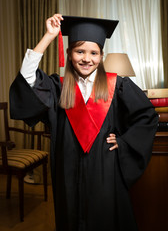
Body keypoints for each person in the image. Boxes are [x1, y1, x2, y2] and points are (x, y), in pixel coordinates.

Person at [10, 14, 158, 231]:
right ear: (69, 54)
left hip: (105, 169)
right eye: (79, 51)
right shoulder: (58, 87)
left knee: (105, 218)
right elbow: (27, 79)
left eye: (93, 53)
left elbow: (147, 116)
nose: (86, 58)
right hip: (68, 169)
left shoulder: (117, 85)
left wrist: (124, 141)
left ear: (101, 56)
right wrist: (48, 36)